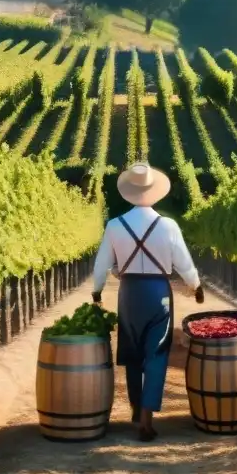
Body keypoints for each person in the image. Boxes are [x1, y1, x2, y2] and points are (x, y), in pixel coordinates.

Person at [91, 161, 204, 442]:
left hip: (128, 292)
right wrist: (196, 285)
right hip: (158, 293)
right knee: (156, 353)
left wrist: (97, 291)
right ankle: (146, 417)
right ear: (155, 192)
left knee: (132, 353)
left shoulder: (115, 225)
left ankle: (134, 407)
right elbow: (184, 262)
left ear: (129, 192)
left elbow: (102, 263)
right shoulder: (168, 226)